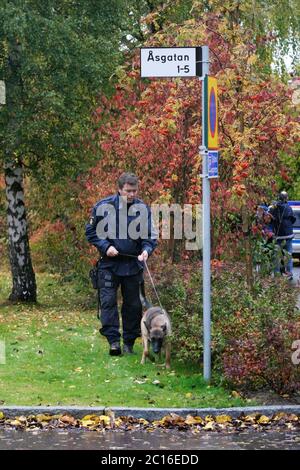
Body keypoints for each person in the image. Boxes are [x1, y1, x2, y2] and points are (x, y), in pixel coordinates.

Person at [85, 172, 157, 356]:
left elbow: (150, 236)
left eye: (134, 191)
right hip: (109, 264)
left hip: (133, 265)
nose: (131, 194)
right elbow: (91, 232)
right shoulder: (103, 207)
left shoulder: (142, 209)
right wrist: (105, 246)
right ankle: (114, 342)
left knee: (133, 305)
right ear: (119, 189)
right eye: (128, 191)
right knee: (108, 302)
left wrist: (146, 251)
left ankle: (129, 343)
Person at [268, 191, 296, 280]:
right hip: (288, 235)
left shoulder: (273, 208)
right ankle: (289, 273)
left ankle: (276, 273)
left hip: (277, 236)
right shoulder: (288, 208)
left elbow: (269, 220)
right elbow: (293, 219)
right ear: (286, 198)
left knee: (276, 255)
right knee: (288, 255)